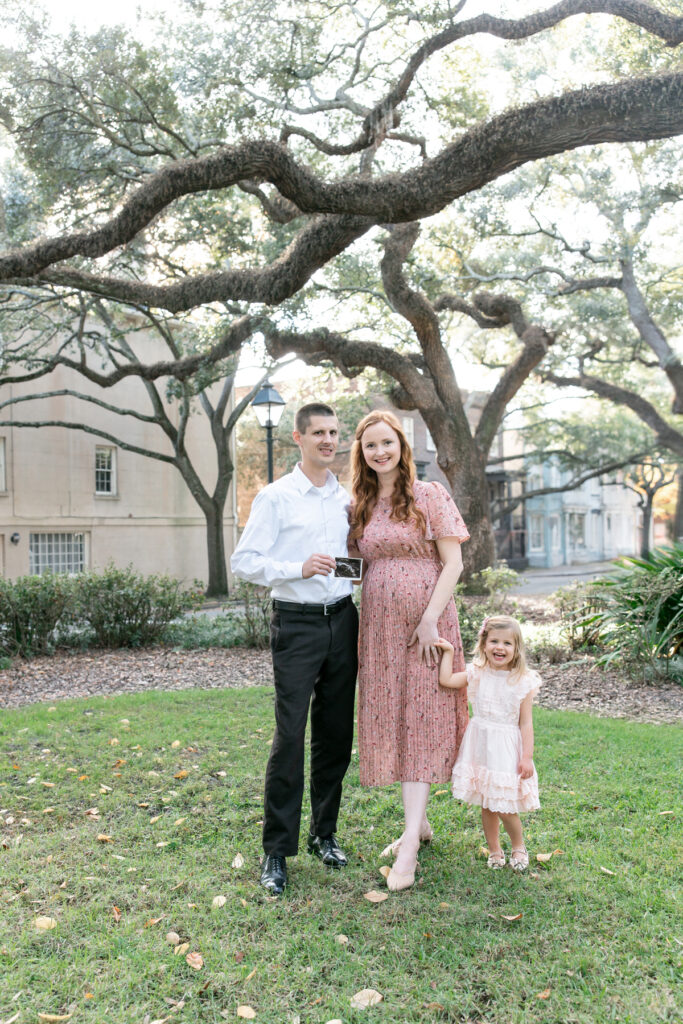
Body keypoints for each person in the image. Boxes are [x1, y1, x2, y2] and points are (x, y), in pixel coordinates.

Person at [230, 402, 359, 895]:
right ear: (297, 438)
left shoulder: (347, 499)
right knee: (290, 737)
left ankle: (324, 835)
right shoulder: (276, 497)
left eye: (334, 431)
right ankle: (276, 852)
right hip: (297, 626)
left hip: (344, 622)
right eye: (319, 432)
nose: (329, 440)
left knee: (335, 734)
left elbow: (347, 565)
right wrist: (295, 568)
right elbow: (245, 561)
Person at [349, 410, 470, 892]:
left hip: (427, 626)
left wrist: (427, 619)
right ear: (362, 453)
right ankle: (417, 823)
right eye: (370, 445)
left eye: (387, 443)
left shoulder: (429, 495)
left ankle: (412, 845)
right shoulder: (360, 504)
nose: (380, 452)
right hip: (378, 630)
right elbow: (351, 566)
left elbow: (454, 561)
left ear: (402, 445)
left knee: (422, 719)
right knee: (394, 717)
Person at [435, 615, 541, 872]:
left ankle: (518, 846)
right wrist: (448, 651)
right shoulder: (477, 673)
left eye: (507, 643)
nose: (500, 647)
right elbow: (446, 680)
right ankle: (494, 849)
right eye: (494, 641)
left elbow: (526, 723)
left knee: (504, 806)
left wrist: (526, 757)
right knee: (487, 804)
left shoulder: (522, 681)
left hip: (505, 748)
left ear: (516, 649)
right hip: (481, 746)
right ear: (484, 643)